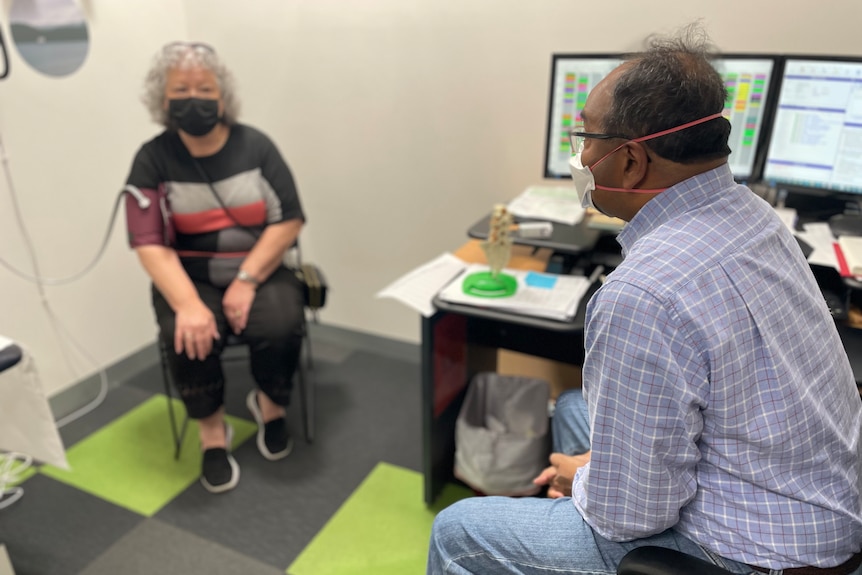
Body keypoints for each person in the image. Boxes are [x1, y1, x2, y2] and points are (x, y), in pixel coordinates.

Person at [428, 26, 862, 575]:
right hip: (825, 512)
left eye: (586, 138)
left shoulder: (644, 294)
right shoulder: (756, 217)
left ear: (631, 161)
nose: (580, 157)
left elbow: (630, 515)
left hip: (753, 553)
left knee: (456, 531)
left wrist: (582, 478)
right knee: (572, 410)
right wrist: (593, 470)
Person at [124, 42, 306, 494]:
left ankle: (270, 404)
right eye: (180, 89)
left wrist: (246, 281)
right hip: (192, 276)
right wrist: (186, 303)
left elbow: (289, 219)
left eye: (204, 88)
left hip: (258, 269)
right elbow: (147, 242)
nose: (194, 97)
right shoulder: (152, 158)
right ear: (162, 101)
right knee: (187, 335)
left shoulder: (257, 146)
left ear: (222, 97)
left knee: (282, 322)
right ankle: (212, 430)